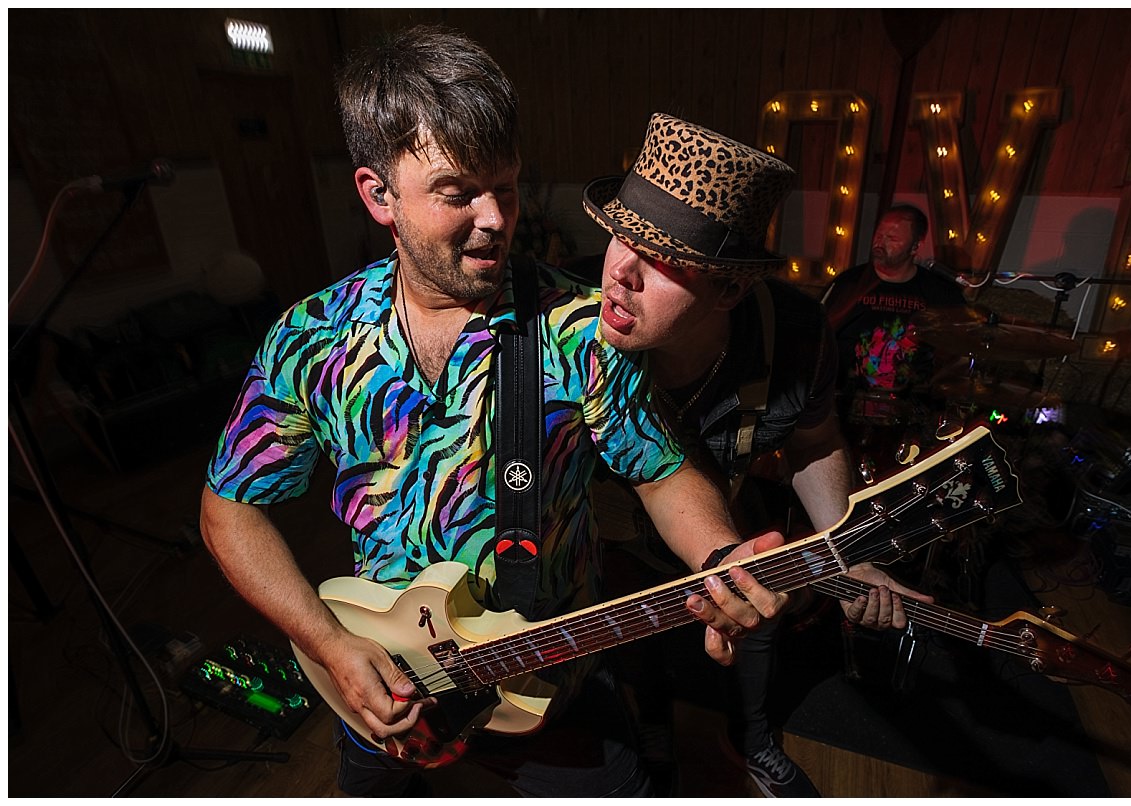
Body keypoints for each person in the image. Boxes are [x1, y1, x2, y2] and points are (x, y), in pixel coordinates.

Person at [199, 28, 788, 798]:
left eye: (505, 188)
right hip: (386, 699)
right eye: (458, 193)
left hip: (552, 695)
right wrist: (330, 644)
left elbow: (661, 473)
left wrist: (719, 557)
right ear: (378, 195)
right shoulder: (311, 337)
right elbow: (229, 508)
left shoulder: (576, 329)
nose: (494, 219)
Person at [571, 113, 934, 797]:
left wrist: (848, 548)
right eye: (622, 236)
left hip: (727, 529)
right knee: (627, 655)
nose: (621, 272)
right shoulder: (567, 311)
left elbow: (815, 442)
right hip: (600, 543)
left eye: (665, 259)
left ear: (731, 289)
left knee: (759, 609)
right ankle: (651, 733)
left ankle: (754, 742)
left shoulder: (792, 335)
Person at [821, 204, 966, 485]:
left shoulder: (940, 293)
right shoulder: (848, 285)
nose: (880, 242)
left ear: (915, 246)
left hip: (911, 412)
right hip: (846, 407)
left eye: (893, 238)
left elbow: (960, 352)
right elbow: (816, 340)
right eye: (879, 234)